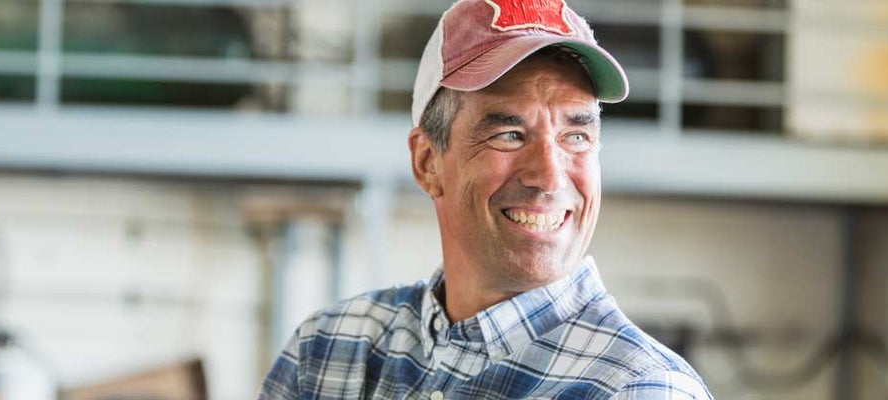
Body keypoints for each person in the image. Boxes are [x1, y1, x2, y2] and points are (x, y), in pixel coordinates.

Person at [260, 0, 713, 398]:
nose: (549, 177)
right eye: (510, 134)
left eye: (576, 137)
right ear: (427, 162)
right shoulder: (328, 350)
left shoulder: (639, 389)